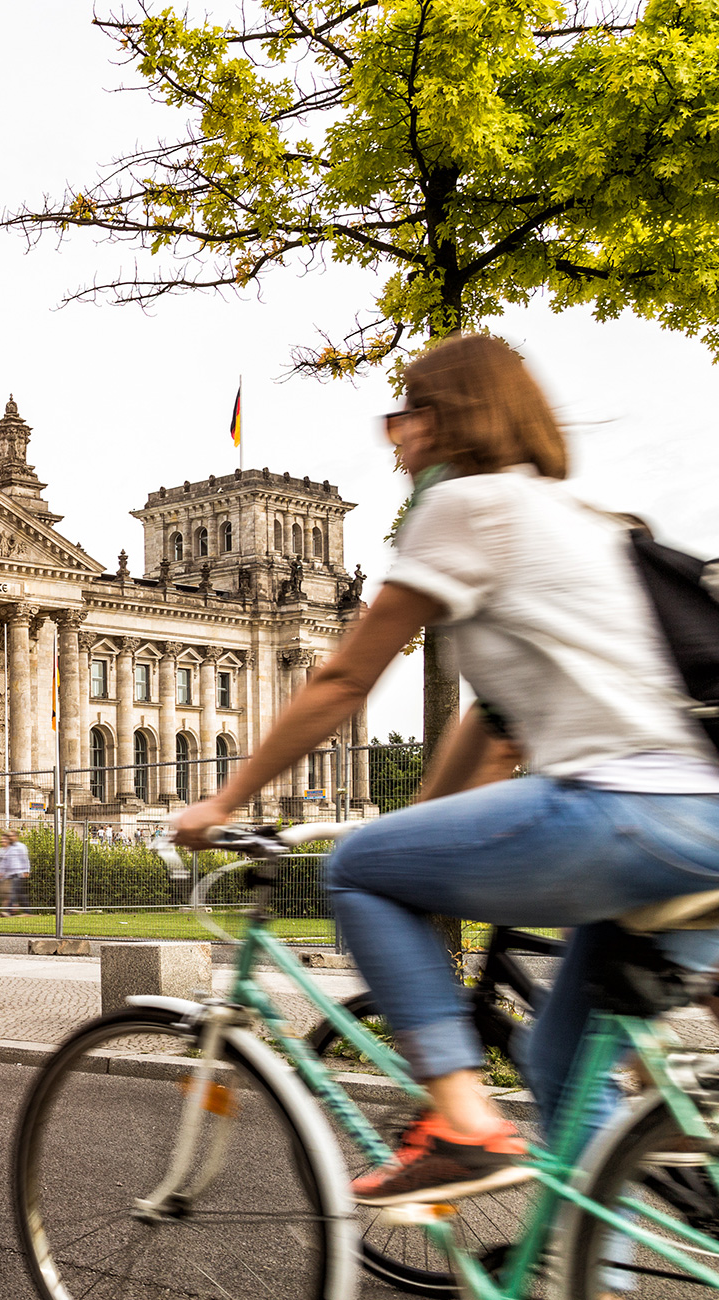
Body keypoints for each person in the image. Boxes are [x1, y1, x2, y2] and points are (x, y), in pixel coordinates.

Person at [173, 333, 719, 1207]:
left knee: (356, 869)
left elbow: (345, 677)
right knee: (562, 1072)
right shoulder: (588, 524)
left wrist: (227, 800)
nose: (394, 437)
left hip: (618, 813)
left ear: (445, 419)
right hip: (705, 822)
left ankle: (463, 1121)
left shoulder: (465, 508)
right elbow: (495, 721)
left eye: (405, 413)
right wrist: (421, 823)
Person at [0, 831, 30, 916]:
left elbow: (25, 859)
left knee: (13, 893)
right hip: (10, 874)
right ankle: (26, 911)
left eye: (11, 836)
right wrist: (2, 872)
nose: (10, 838)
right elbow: (6, 861)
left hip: (18, 873)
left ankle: (10, 912)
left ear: (16, 836)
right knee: (19, 893)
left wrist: (26, 870)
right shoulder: (9, 848)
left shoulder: (21, 847)